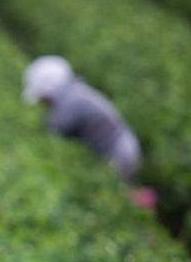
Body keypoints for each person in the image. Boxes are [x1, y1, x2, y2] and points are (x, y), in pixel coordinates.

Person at [23, 55, 156, 210]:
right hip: (124, 145)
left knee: (115, 199)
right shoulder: (75, 92)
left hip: (118, 152)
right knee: (121, 194)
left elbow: (55, 131)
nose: (42, 103)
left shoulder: (70, 102)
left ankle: (145, 207)